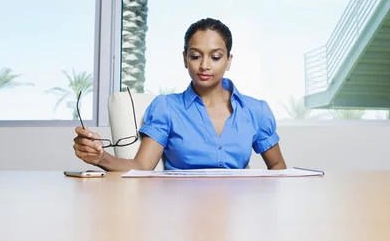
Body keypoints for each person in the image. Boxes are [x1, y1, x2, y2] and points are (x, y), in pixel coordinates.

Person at [73, 17, 287, 171]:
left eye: (215, 57)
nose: (204, 65)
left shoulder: (255, 110)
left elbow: (277, 164)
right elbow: (140, 166)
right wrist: (100, 157)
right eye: (195, 56)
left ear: (228, 60)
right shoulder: (167, 108)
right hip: (179, 213)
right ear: (185, 59)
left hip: (238, 214)